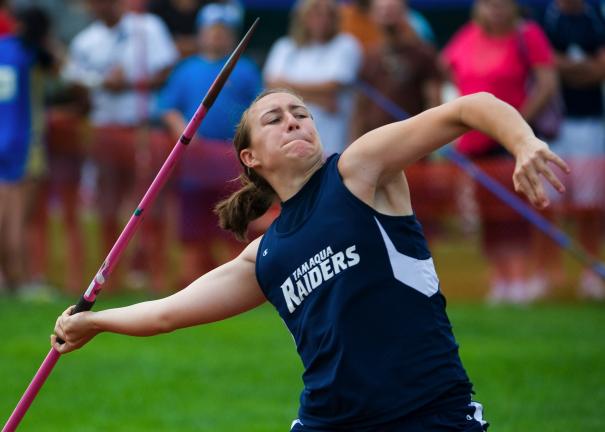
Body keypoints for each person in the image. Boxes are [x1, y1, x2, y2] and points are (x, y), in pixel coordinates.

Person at [52, 88, 569, 431]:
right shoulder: (266, 255)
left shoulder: (361, 172)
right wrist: (96, 321)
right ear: (251, 159)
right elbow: (167, 312)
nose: (294, 122)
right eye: (275, 120)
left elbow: (467, 108)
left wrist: (522, 142)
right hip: (330, 422)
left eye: (301, 113)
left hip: (428, 413)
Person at [441, 0, 559, 303]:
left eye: (502, 5)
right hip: (474, 142)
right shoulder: (467, 36)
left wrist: (515, 123)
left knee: (515, 213)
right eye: (489, 5)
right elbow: (446, 67)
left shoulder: (527, 35)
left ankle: (520, 278)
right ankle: (500, 279)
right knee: (488, 215)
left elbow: (546, 83)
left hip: (510, 140)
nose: (496, 10)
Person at [63, 0, 178, 292]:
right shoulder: (85, 41)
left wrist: (127, 83)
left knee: (152, 206)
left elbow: (167, 71)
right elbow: (75, 88)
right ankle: (109, 280)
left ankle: (157, 277)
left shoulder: (147, 27)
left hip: (143, 128)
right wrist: (100, 83)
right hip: (105, 129)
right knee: (107, 206)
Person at [159, 2, 262, 284]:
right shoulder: (186, 69)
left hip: (231, 161)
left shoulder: (245, 69)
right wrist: (186, 134)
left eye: (223, 31)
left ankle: (238, 282)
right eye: (211, 31)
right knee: (193, 224)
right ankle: (192, 279)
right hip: (195, 162)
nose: (216, 36)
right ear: (201, 33)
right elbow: (167, 106)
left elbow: (258, 105)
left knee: (233, 218)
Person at [541, 0, 605, 299]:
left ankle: (591, 273)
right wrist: (581, 66)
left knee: (589, 207)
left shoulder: (596, 17)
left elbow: (599, 71)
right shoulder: (545, 18)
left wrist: (564, 66)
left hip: (589, 126)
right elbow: (545, 65)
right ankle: (549, 273)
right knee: (546, 205)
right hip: (551, 128)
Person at [0, 7, 55, 294]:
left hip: (2, 137)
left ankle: (6, 279)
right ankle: (19, 281)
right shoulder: (31, 55)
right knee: (18, 217)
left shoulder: (3, 48)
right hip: (22, 142)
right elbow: (58, 69)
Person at [263, 0, 362, 156]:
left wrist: (288, 86)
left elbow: (333, 85)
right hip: (288, 141)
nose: (322, 19)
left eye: (328, 14)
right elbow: (272, 86)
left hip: (332, 141)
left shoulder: (346, 44)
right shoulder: (284, 46)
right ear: (302, 16)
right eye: (315, 13)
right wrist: (319, 99)